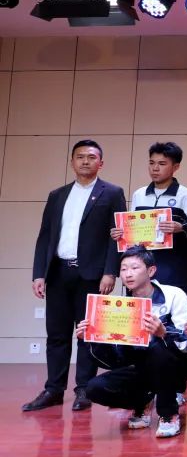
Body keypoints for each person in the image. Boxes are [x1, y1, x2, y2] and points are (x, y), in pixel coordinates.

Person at [25, 139, 128, 413]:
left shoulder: (112, 193)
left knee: (87, 333)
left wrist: (110, 272)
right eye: (80, 156)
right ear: (72, 162)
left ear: (100, 163)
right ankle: (53, 389)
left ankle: (84, 388)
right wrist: (39, 274)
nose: (85, 161)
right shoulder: (57, 195)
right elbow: (45, 236)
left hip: (91, 274)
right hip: (58, 272)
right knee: (56, 334)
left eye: (91, 157)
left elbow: (117, 237)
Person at [78, 245, 187, 437]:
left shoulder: (173, 294)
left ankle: (168, 414)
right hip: (141, 368)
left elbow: (186, 345)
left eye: (134, 268)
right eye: (124, 269)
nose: (128, 274)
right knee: (94, 388)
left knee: (158, 349)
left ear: (151, 271)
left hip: (175, 364)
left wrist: (163, 333)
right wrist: (91, 338)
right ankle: (142, 401)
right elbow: (114, 361)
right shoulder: (118, 307)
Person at [119, 142, 187, 296]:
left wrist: (180, 228)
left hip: (172, 268)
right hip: (140, 269)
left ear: (176, 167)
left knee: (168, 307)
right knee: (138, 308)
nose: (155, 168)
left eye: (162, 164)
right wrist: (121, 234)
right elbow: (132, 233)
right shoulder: (139, 194)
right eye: (151, 163)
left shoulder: (185, 195)